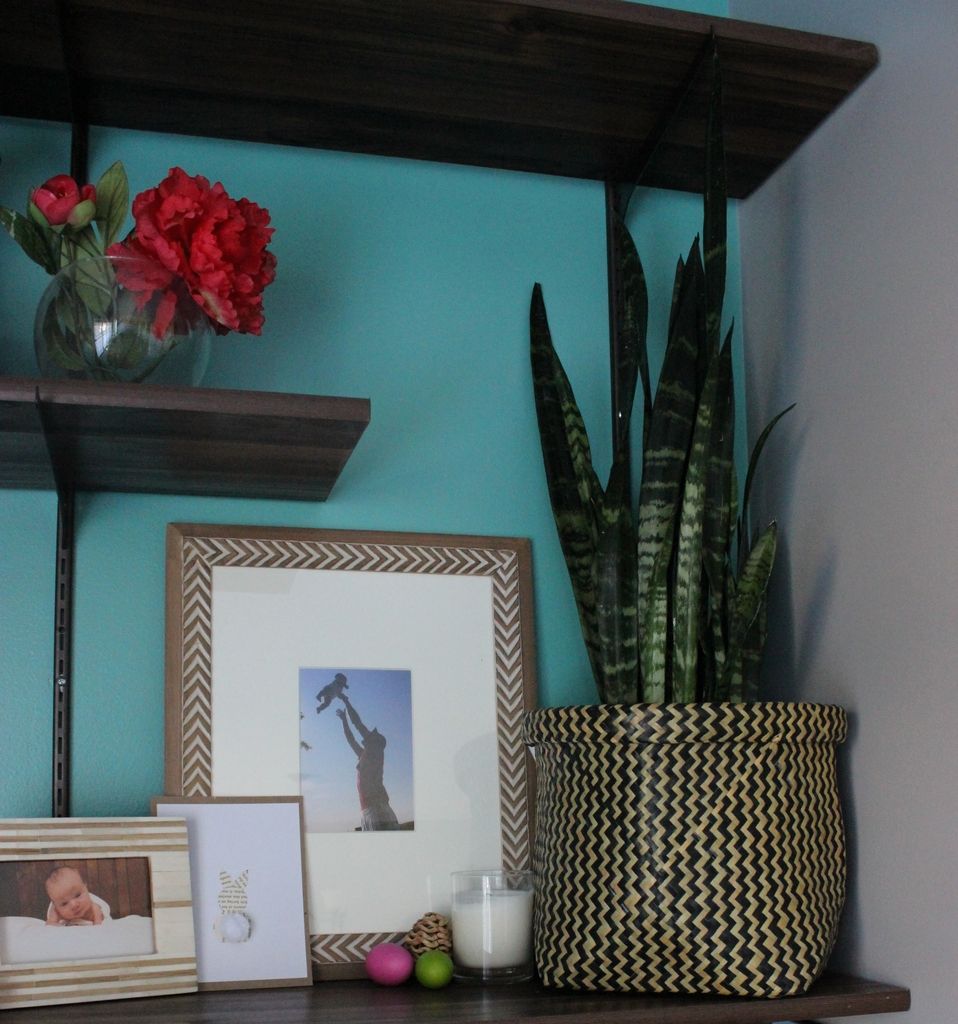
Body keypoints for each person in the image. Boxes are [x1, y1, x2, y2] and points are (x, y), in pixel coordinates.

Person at [336, 695, 400, 831]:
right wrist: (343, 720)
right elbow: (351, 739)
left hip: (377, 811)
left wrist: (347, 701)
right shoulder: (365, 754)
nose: (369, 733)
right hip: (370, 811)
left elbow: (357, 723)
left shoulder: (375, 750)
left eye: (372, 734)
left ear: (377, 742)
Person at [44, 866, 110, 926]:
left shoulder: (94, 908)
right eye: (64, 903)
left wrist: (97, 923)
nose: (74, 905)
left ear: (85, 886)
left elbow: (99, 927)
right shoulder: (56, 911)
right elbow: (50, 926)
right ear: (56, 906)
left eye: (77, 895)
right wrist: (54, 923)